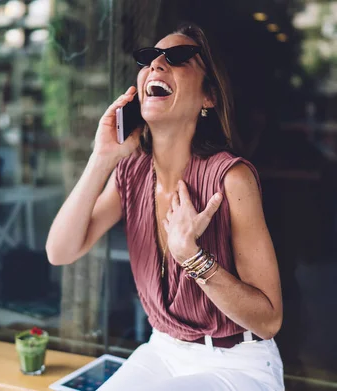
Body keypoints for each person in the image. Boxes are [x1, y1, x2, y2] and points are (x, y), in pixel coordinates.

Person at [46, 23, 284, 391]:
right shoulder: (131, 171)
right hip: (163, 350)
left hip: (237, 363)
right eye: (149, 59)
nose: (156, 65)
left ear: (209, 96)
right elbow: (60, 251)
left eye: (176, 58)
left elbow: (267, 321)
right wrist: (101, 158)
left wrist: (191, 256)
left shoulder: (231, 179)